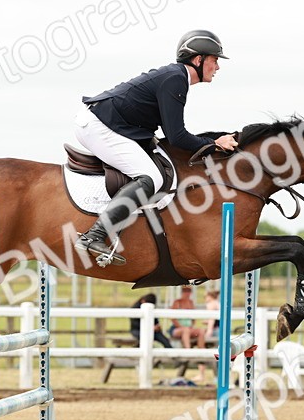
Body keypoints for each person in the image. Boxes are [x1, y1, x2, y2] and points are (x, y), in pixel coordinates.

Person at [73, 30, 239, 265]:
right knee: (150, 176)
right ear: (198, 60)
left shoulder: (175, 77)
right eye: (215, 59)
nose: (218, 67)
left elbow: (172, 135)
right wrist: (214, 143)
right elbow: (177, 136)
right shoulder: (175, 80)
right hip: (99, 125)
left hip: (111, 123)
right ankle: (95, 235)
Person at [169, 285, 207, 382]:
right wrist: (181, 327)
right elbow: (173, 318)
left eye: (189, 291)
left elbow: (193, 318)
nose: (187, 293)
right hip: (178, 329)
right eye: (185, 291)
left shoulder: (191, 303)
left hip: (188, 328)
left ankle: (201, 349)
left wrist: (191, 326)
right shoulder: (177, 302)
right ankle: (188, 350)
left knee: (201, 331)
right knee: (185, 330)